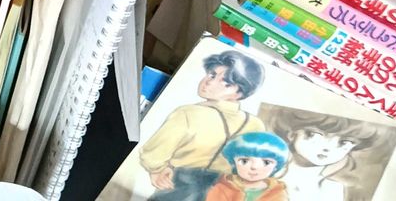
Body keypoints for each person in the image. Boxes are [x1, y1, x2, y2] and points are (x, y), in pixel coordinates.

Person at [139, 50, 265, 201]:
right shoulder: (256, 124)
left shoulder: (187, 113)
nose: (210, 82)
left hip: (178, 190)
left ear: (240, 93)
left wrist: (156, 170)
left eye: (226, 83)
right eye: (212, 75)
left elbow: (153, 154)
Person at [269, 111, 381, 201]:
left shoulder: (332, 189)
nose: (328, 147)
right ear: (292, 134)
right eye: (315, 135)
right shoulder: (267, 175)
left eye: (344, 142)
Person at [205, 132, 290, 201]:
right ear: (233, 163)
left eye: (266, 162)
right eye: (244, 161)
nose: (254, 167)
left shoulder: (278, 193)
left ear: (276, 167)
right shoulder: (221, 189)